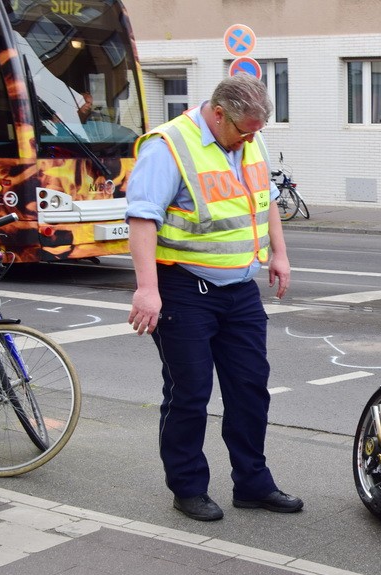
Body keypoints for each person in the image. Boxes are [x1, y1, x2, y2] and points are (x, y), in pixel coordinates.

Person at [125, 75, 302, 521]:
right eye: (245, 130)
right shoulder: (168, 146)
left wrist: (278, 253)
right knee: (189, 393)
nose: (251, 138)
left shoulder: (250, 137)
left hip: (239, 290)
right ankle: (187, 487)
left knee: (249, 390)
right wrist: (147, 290)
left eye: (258, 130)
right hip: (184, 289)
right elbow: (142, 219)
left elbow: (266, 202)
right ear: (218, 114)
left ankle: (253, 483)